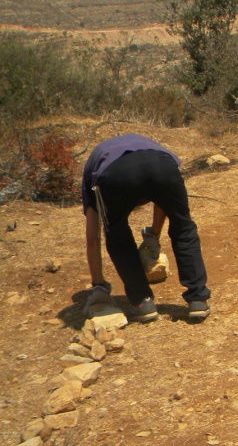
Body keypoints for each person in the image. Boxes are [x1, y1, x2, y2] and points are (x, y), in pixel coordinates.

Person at [82, 134, 210, 322]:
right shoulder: (149, 147)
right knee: (183, 227)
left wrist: (98, 284)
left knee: (117, 235)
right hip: (162, 165)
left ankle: (143, 302)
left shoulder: (94, 168)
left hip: (116, 174)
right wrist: (153, 236)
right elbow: (163, 202)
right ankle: (197, 298)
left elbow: (93, 239)